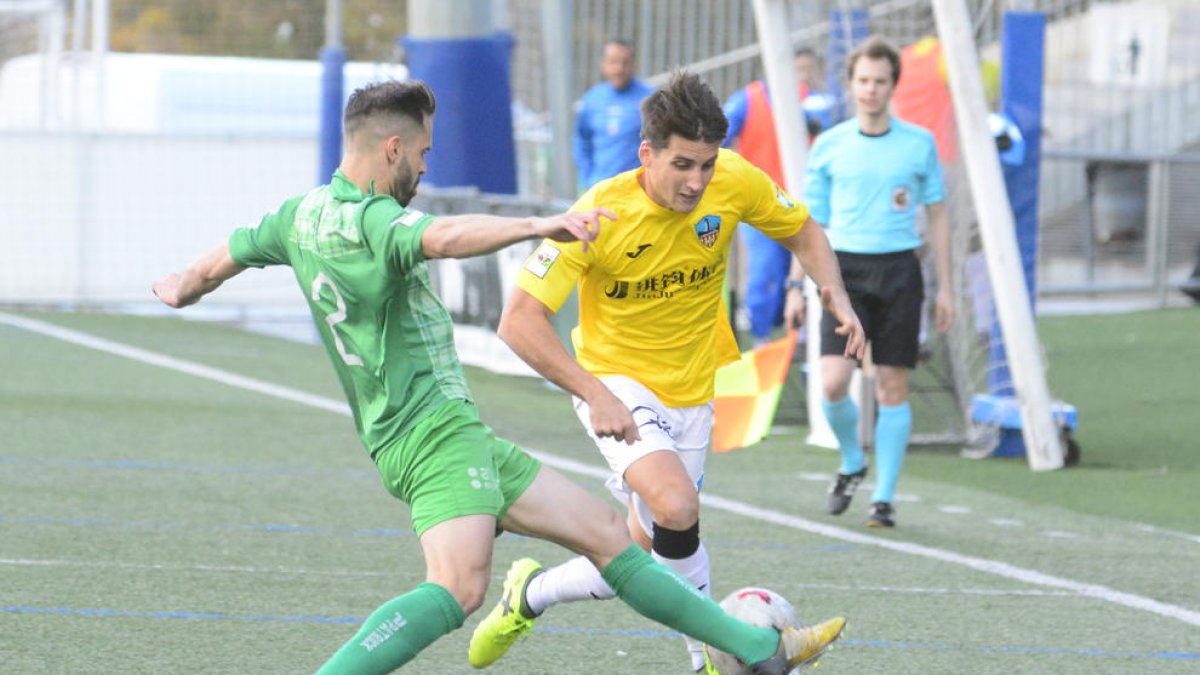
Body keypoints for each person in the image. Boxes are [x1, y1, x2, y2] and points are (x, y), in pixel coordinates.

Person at [151, 80, 845, 675]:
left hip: (456, 431)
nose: (425, 166)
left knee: (609, 534)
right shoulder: (378, 223)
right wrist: (541, 223)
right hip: (428, 435)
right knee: (457, 587)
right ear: (391, 149)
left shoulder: (298, 216)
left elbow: (225, 256)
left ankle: (759, 647)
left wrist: (185, 282)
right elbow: (444, 237)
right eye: (422, 154)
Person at [471, 71, 864, 673]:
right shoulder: (599, 214)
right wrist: (595, 393)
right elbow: (519, 320)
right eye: (683, 165)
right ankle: (718, 654)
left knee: (643, 556)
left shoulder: (732, 181)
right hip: (619, 385)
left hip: (693, 391)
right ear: (646, 153)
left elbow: (802, 229)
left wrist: (832, 289)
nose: (697, 181)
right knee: (678, 508)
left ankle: (530, 593)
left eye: (706, 165)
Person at [783, 36, 955, 529]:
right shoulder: (831, 145)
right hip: (843, 275)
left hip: (901, 271)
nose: (871, 90)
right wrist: (797, 286)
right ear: (851, 84)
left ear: (892, 85)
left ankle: (884, 498)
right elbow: (805, 223)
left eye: (880, 81)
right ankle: (852, 462)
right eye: (863, 81)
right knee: (833, 384)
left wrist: (945, 287)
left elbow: (938, 215)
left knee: (891, 386)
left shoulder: (918, 143)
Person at [723, 47, 834, 346]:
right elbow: (719, 133)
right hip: (760, 204)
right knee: (763, 273)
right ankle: (762, 341)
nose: (801, 75)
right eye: (796, 69)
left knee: (808, 267)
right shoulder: (746, 99)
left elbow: (826, 123)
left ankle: (805, 340)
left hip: (805, 202)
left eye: (806, 69)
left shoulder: (815, 99)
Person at [573, 38, 655, 193]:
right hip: (600, 189)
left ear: (634, 64)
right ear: (603, 64)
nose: (619, 68)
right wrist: (587, 178)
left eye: (625, 62)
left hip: (636, 191)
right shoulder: (592, 98)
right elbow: (582, 141)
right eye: (613, 62)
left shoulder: (650, 99)